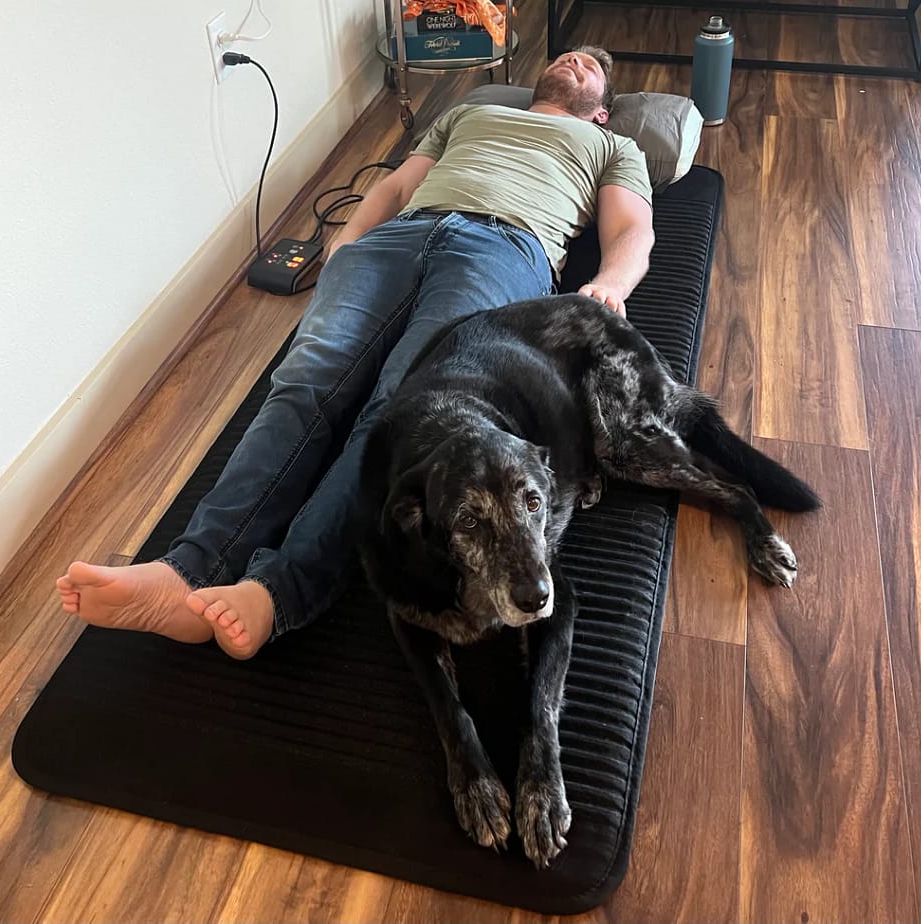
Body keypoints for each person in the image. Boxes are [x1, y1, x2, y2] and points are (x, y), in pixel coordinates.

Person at [55, 46, 656, 659]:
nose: (575, 61)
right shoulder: (471, 113)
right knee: (304, 380)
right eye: (568, 56)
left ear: (602, 110)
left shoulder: (611, 147)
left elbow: (633, 229)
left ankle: (278, 590)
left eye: (590, 66)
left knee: (398, 407)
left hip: (505, 246)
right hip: (398, 237)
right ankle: (189, 570)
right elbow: (397, 184)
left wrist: (610, 284)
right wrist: (347, 239)